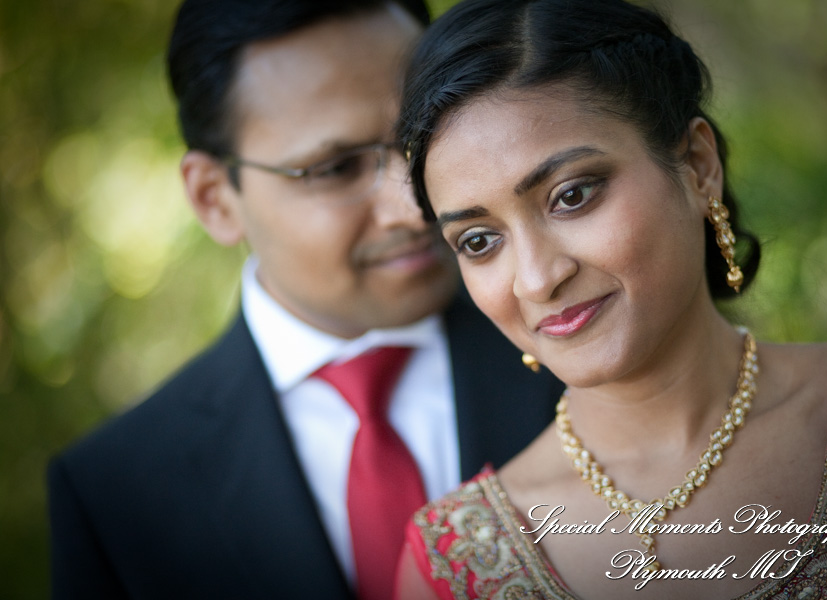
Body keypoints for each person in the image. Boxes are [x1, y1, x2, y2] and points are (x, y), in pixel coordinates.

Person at [45, 1, 564, 598]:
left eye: (421, 137)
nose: (413, 204)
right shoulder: (115, 492)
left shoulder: (583, 345)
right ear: (215, 198)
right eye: (336, 168)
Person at [393, 0, 827, 598]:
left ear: (697, 166)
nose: (535, 280)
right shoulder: (457, 562)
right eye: (479, 241)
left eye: (572, 195)